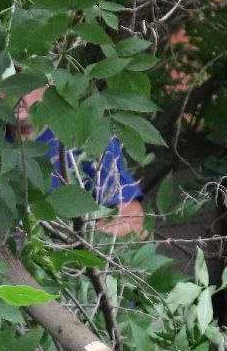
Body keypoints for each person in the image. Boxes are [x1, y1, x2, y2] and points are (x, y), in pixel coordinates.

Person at [11, 85, 146, 238]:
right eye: (9, 83)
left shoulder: (86, 137)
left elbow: (132, 221)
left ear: (49, 85)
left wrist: (79, 240)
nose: (18, 96)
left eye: (26, 82)